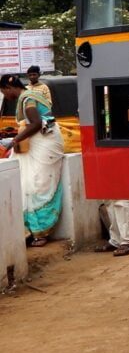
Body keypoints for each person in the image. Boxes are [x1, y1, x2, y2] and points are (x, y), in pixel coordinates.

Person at [0, 75, 64, 247]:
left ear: (8, 87)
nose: (5, 96)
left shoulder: (28, 99)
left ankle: (41, 231)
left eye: (3, 92)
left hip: (45, 143)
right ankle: (29, 229)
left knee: (38, 186)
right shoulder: (28, 96)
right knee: (26, 183)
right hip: (38, 142)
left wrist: (15, 140)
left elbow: (36, 123)